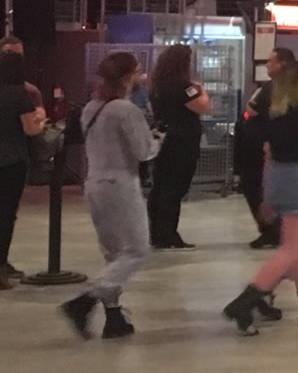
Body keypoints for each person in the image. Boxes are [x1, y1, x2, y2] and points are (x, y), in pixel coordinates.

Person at [222, 61, 298, 331]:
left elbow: (266, 150)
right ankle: (245, 301)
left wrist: (266, 196)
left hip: (278, 177)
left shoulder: (275, 112)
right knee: (293, 249)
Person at [59, 53, 161, 339]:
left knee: (114, 253)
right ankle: (85, 300)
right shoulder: (125, 110)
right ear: (128, 76)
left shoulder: (91, 107)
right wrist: (158, 142)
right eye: (138, 72)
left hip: (94, 183)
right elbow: (144, 151)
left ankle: (114, 317)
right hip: (121, 184)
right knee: (138, 250)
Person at [145, 43, 210, 249]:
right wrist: (202, 90)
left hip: (164, 138)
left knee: (161, 185)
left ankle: (156, 233)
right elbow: (204, 107)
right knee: (175, 188)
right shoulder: (185, 86)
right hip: (183, 140)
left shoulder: (157, 86)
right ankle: (168, 235)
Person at [236, 46, 294, 248]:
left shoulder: (278, 88)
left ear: (282, 64)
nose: (267, 64)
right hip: (255, 145)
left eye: (271, 61)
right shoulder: (272, 86)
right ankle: (270, 229)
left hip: (262, 147)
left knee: (259, 189)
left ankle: (272, 230)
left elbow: (253, 110)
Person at [0, 50, 46, 286]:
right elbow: (31, 129)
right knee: (5, 215)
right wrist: (41, 121)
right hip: (11, 160)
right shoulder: (20, 95)